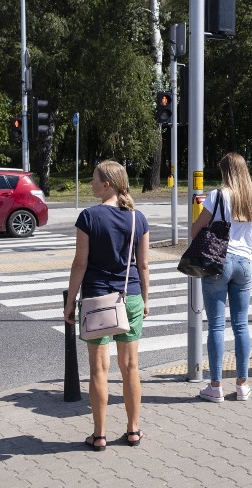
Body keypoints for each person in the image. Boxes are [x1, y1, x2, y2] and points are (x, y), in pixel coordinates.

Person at [64, 160, 150, 450]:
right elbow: (144, 265)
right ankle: (134, 430)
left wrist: (71, 300)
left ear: (107, 184)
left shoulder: (88, 217)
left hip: (97, 299)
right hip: (131, 296)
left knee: (99, 369)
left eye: (94, 179)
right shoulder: (138, 218)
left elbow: (80, 264)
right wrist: (146, 300)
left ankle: (99, 435)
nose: (91, 183)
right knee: (130, 367)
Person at [192, 153, 252, 402]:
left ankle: (215, 386)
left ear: (225, 172)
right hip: (245, 262)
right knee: (241, 325)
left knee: (217, 326)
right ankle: (242, 385)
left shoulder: (218, 195)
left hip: (219, 262)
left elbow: (197, 228)